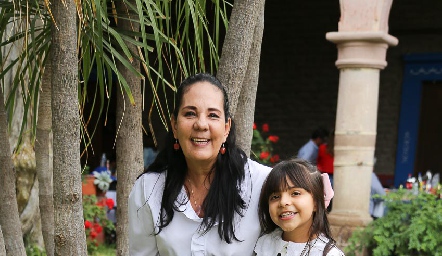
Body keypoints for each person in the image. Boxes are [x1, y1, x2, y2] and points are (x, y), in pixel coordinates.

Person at [128, 73, 272, 255]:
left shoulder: (262, 184)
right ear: (174, 125)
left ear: (226, 128)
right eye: (190, 113)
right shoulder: (148, 189)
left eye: (213, 115)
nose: (201, 124)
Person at [255, 159, 343, 256]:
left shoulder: (327, 254)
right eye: (275, 197)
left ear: (316, 203)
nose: (283, 202)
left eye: (295, 193)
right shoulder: (263, 244)